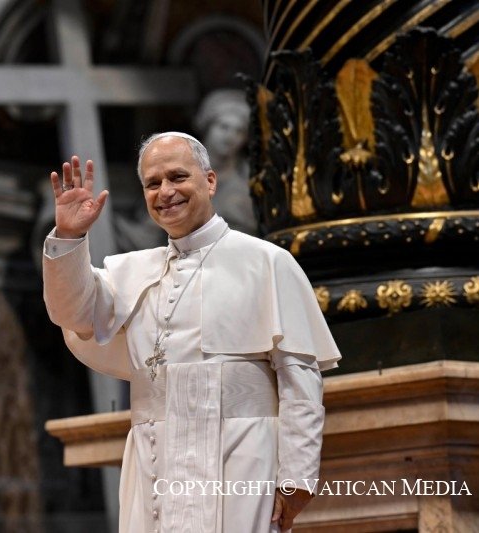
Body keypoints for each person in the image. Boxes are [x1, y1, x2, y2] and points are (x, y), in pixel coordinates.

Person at [42, 132, 341, 532]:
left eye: (178, 177)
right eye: (152, 183)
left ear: (210, 181)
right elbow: (72, 312)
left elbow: (300, 379)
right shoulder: (131, 272)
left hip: (241, 456)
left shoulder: (267, 262)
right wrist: (70, 236)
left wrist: (296, 478)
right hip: (154, 459)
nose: (165, 191)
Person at [195, 89, 258, 235]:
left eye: (239, 131)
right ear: (208, 128)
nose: (230, 137)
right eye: (224, 127)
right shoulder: (183, 173)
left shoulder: (249, 181)